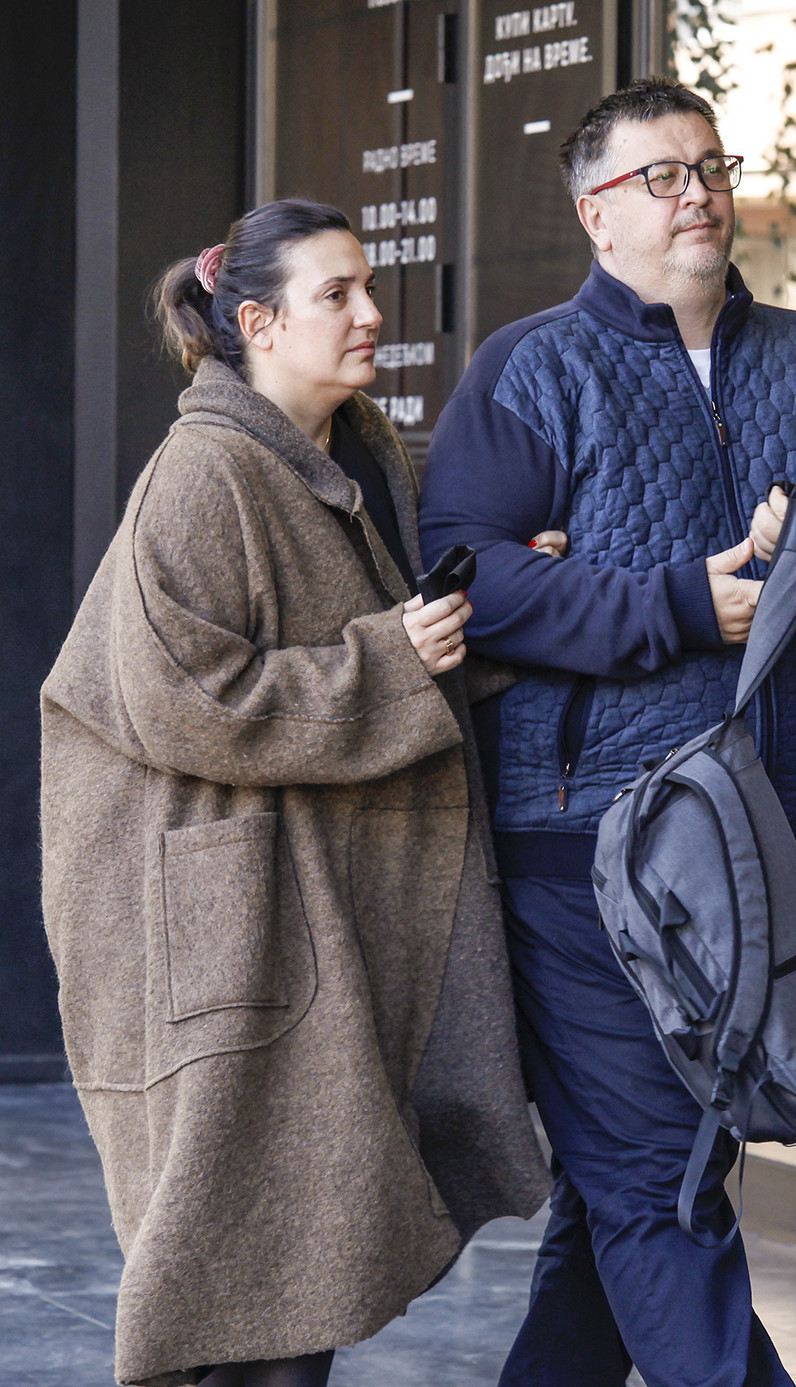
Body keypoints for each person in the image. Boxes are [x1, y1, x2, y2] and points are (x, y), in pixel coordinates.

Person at [419, 78, 796, 1387]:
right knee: (659, 1180)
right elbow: (466, 576)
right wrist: (675, 602)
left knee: (641, 1169)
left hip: (756, 839)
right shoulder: (532, 370)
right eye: (660, 175)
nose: (697, 193)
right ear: (597, 214)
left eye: (710, 166)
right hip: (582, 844)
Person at [40, 198, 550, 1387]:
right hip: (229, 932)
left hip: (307, 915)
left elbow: (401, 640)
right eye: (338, 294)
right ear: (259, 324)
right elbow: (181, 694)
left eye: (367, 286)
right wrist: (390, 659)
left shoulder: (355, 452)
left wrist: (500, 611)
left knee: (285, 1271)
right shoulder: (206, 472)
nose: (371, 312)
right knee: (245, 1275)